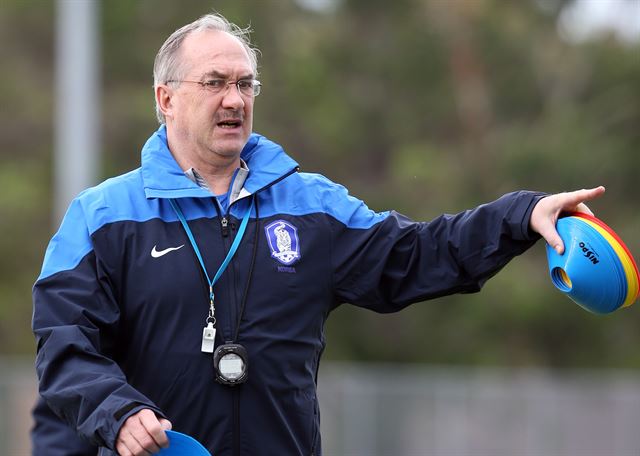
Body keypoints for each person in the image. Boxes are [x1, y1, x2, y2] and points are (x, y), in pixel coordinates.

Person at [32, 12, 605, 456]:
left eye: (245, 84)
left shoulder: (311, 204)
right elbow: (65, 344)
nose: (235, 99)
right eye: (214, 83)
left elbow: (415, 256)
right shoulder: (102, 214)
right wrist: (119, 412)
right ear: (167, 99)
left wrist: (519, 215)